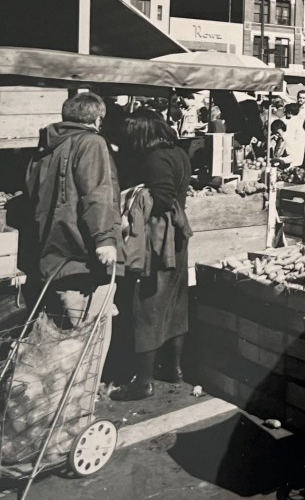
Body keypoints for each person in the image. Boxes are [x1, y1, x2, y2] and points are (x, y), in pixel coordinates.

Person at [23, 93, 122, 370]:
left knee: (61, 338)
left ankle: (60, 401)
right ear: (98, 118)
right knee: (88, 339)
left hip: (52, 256)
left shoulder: (46, 146)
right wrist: (104, 239)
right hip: (82, 257)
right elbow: (97, 193)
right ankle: (78, 406)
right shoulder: (91, 142)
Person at [113, 109, 193, 400]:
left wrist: (129, 196)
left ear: (142, 133)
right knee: (174, 306)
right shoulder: (178, 153)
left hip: (159, 244)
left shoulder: (154, 158)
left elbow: (161, 198)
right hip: (178, 241)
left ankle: (143, 382)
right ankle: (173, 369)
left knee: (146, 307)